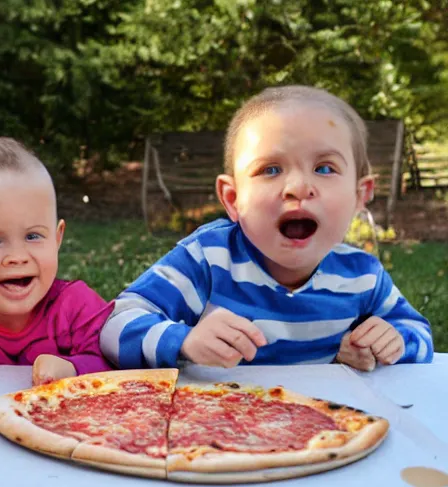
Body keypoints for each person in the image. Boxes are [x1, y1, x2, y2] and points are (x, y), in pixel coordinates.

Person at [100, 85, 433, 372]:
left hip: (326, 429)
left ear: (360, 196)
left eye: (325, 168)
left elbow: (418, 334)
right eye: (271, 169)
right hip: (215, 426)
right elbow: (114, 324)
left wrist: (393, 342)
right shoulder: (209, 259)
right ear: (233, 199)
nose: (299, 187)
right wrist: (184, 340)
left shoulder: (363, 276)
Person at [0, 134, 113, 416]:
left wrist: (73, 368)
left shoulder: (75, 308)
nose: (17, 256)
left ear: (57, 239)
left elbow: (123, 366)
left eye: (33, 236)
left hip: (57, 443)